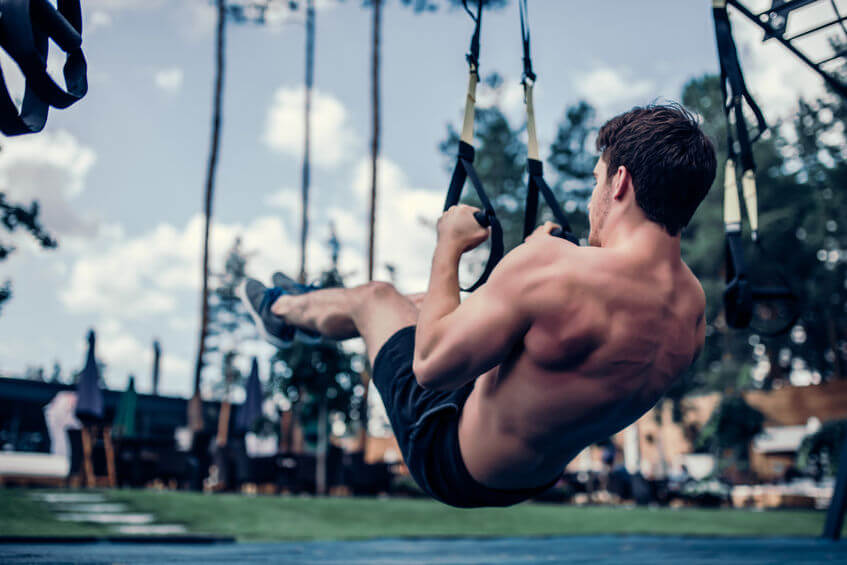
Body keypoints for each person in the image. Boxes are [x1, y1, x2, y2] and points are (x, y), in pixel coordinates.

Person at [240, 104, 716, 508]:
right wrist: (532, 266)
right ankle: (307, 304)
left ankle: (279, 313)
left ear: (619, 183)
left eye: (596, 181)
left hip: (451, 455)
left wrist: (447, 244)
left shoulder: (555, 268)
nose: (593, 197)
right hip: (533, 473)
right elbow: (573, 346)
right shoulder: (691, 306)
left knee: (376, 299)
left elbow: (428, 367)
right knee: (430, 305)